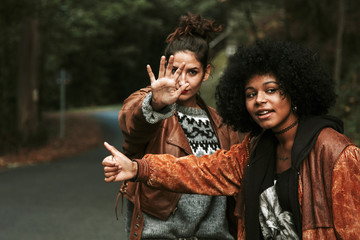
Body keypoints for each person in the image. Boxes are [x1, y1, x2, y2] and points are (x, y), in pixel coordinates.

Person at [103, 40, 360, 239]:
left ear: (295, 92)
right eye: (250, 94)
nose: (259, 100)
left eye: (271, 90)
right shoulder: (254, 149)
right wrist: (138, 168)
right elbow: (202, 169)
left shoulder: (334, 152)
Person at [115, 13, 242, 240]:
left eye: (192, 72)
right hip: (161, 233)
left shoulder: (223, 123)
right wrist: (156, 103)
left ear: (207, 72)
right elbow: (131, 121)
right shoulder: (150, 104)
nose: (182, 81)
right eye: (176, 70)